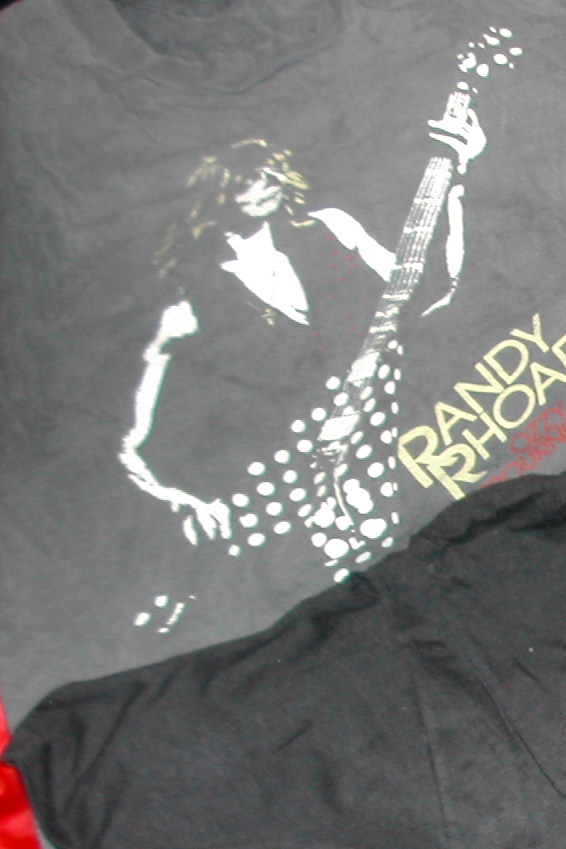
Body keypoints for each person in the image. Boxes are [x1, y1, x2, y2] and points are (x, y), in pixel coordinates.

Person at [120, 102, 484, 560]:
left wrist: (461, 176)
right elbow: (128, 444)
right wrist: (178, 503)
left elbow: (432, 288)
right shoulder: (191, 305)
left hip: (418, 440)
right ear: (215, 193)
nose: (267, 182)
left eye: (270, 171)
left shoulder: (330, 227)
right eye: (247, 178)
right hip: (303, 505)